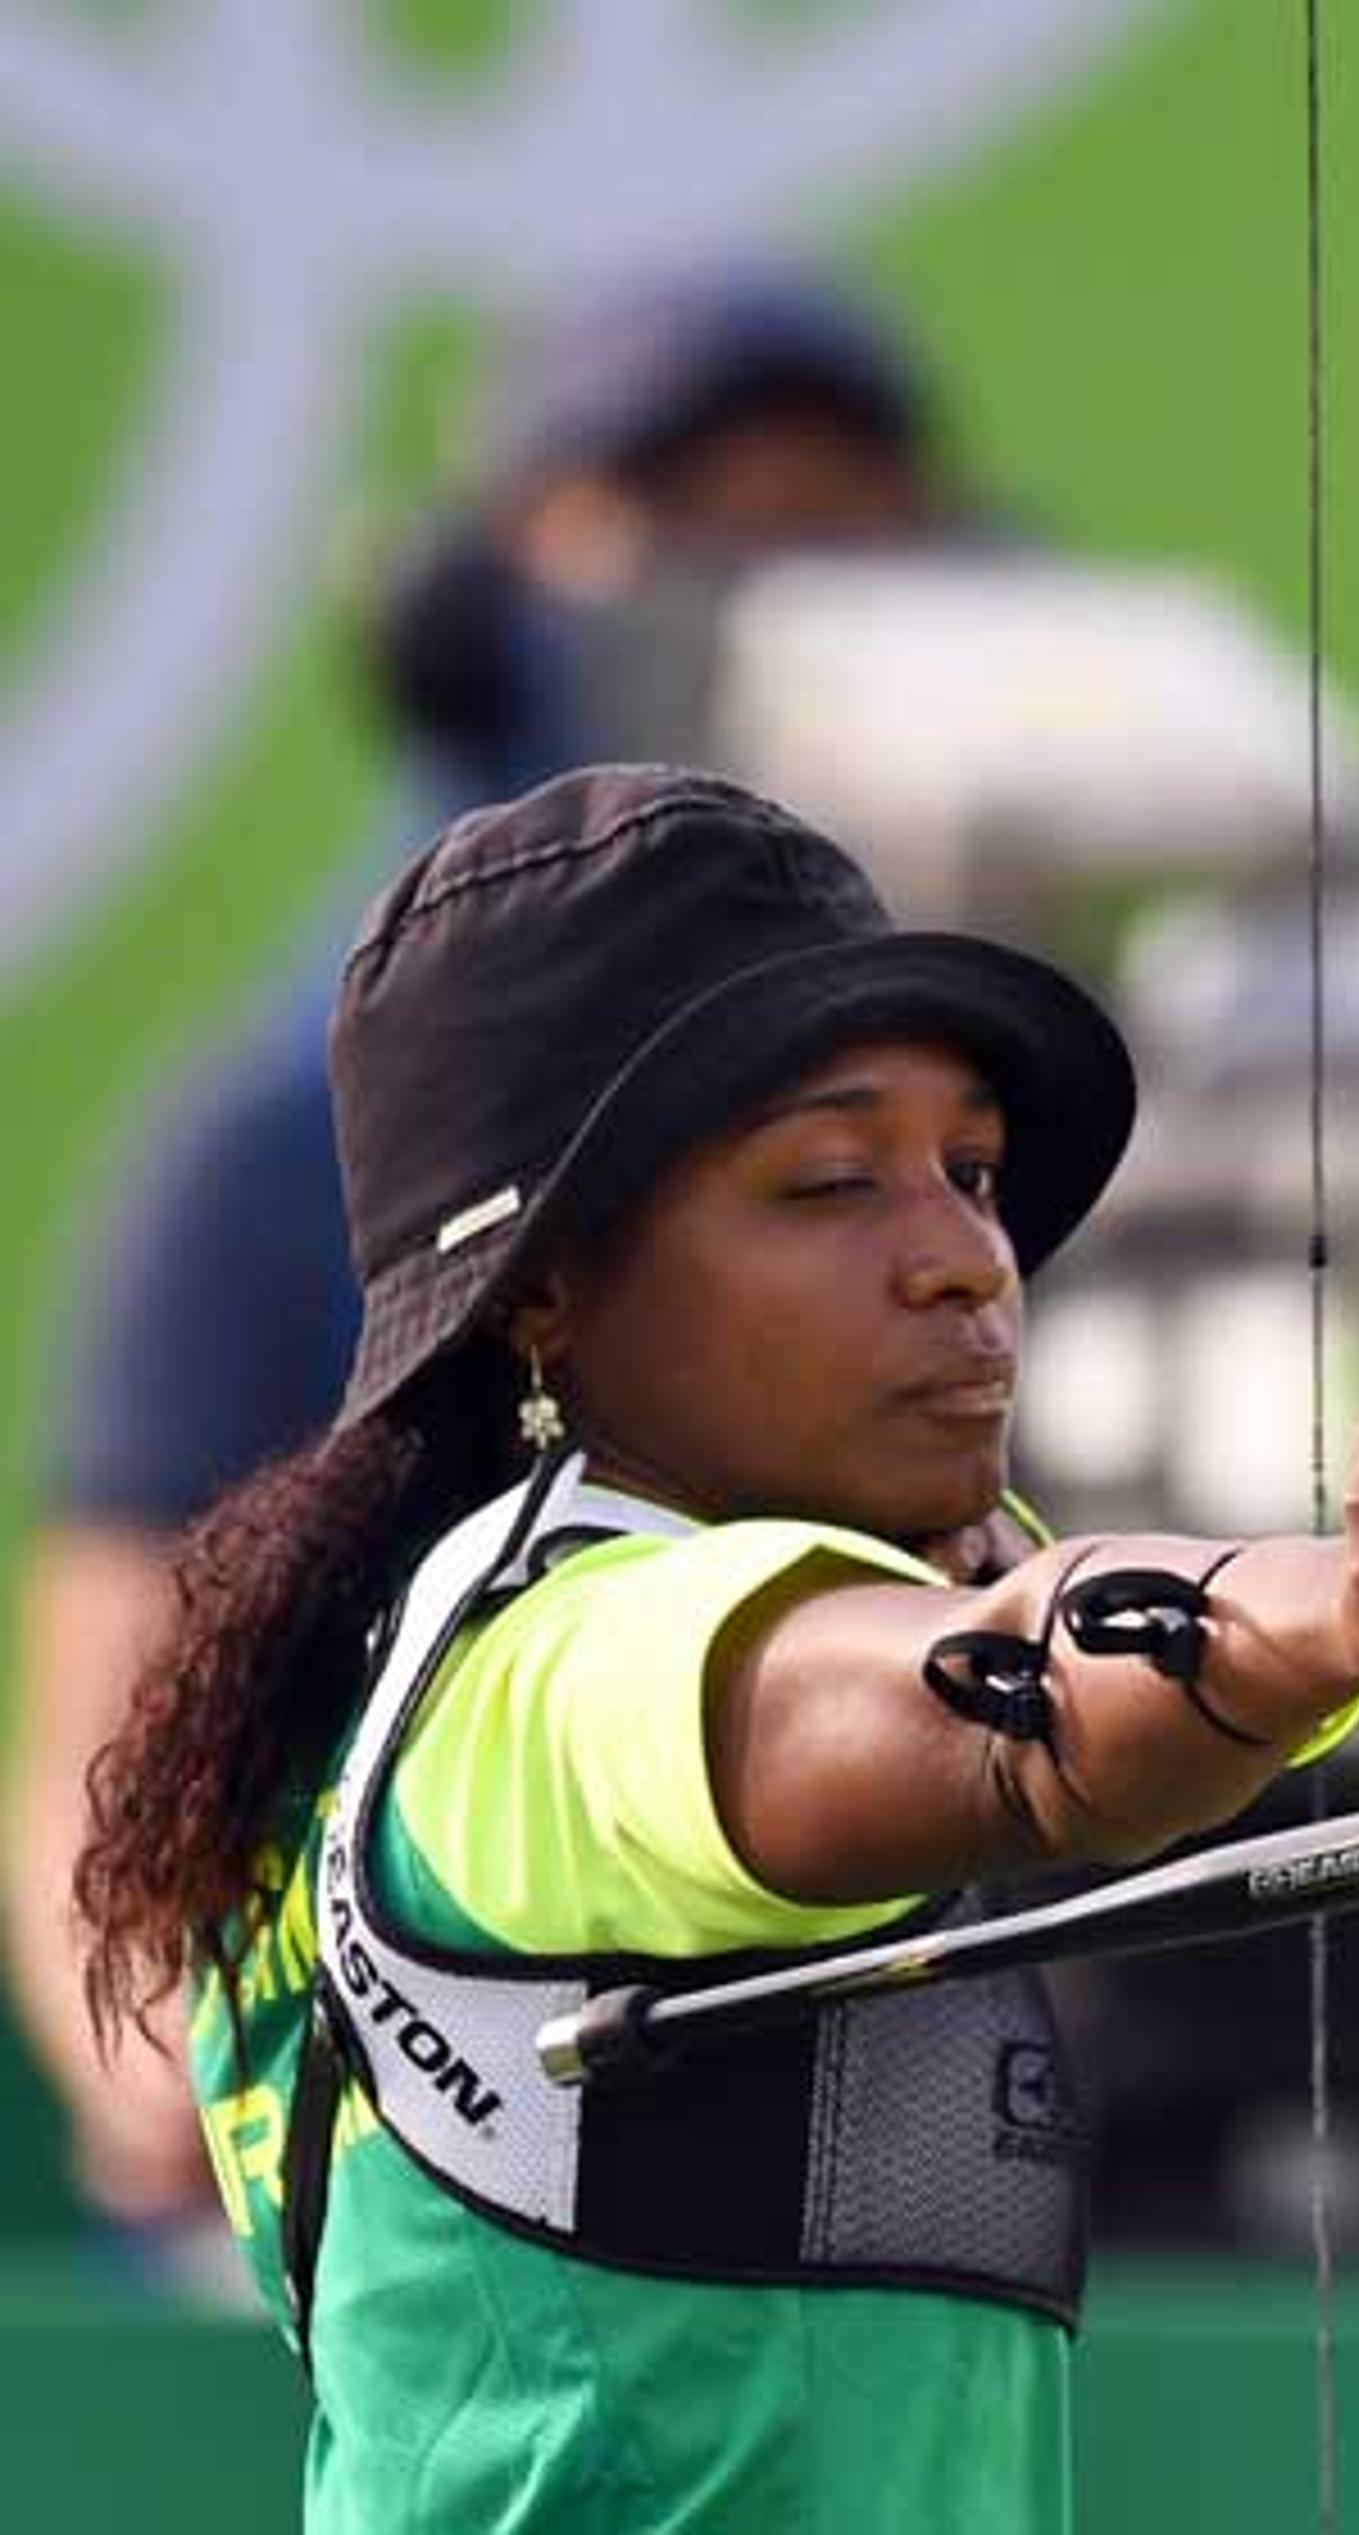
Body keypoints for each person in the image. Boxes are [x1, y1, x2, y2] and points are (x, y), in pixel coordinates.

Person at [65, 766, 1359, 2530]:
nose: (968, 1260)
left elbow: (1056, 1663)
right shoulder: (564, 1679)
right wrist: (1348, 1606)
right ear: (544, 1291)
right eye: (830, 1182)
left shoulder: (466, 1664)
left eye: (970, 1170)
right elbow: (1020, 1695)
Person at [4, 269, 952, 2276]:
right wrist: (257, 2153)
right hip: (400, 2217)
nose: (772, 587)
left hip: (852, 2184)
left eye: (841, 528)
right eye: (695, 521)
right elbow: (104, 1781)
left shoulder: (992, 1113)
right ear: (480, 590)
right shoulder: (275, 1145)